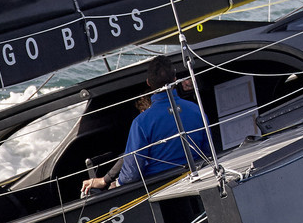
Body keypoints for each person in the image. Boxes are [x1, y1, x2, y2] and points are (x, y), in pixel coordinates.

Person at [79, 56, 208, 197]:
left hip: (161, 191)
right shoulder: (197, 110)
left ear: (148, 83)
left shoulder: (141, 123)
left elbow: (131, 174)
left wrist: (115, 183)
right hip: (197, 182)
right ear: (174, 79)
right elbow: (207, 151)